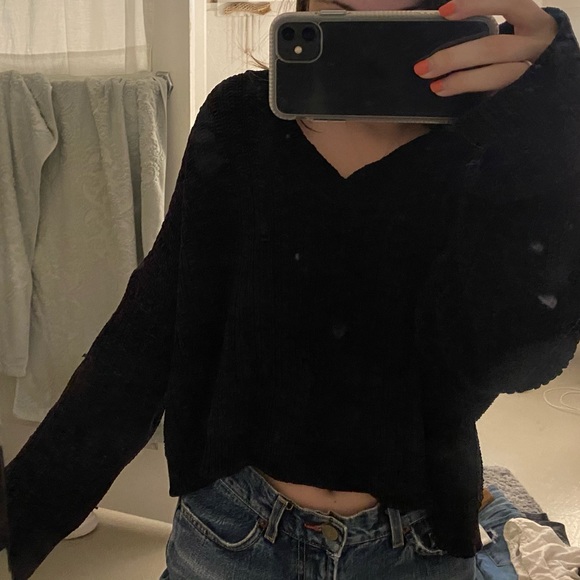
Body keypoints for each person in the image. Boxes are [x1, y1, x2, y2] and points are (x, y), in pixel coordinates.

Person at [3, 0, 580, 578]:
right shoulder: (241, 117)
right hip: (231, 534)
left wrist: (550, 135)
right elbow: (149, 332)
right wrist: (18, 508)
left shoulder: (499, 140)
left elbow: (519, 359)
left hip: (418, 544)